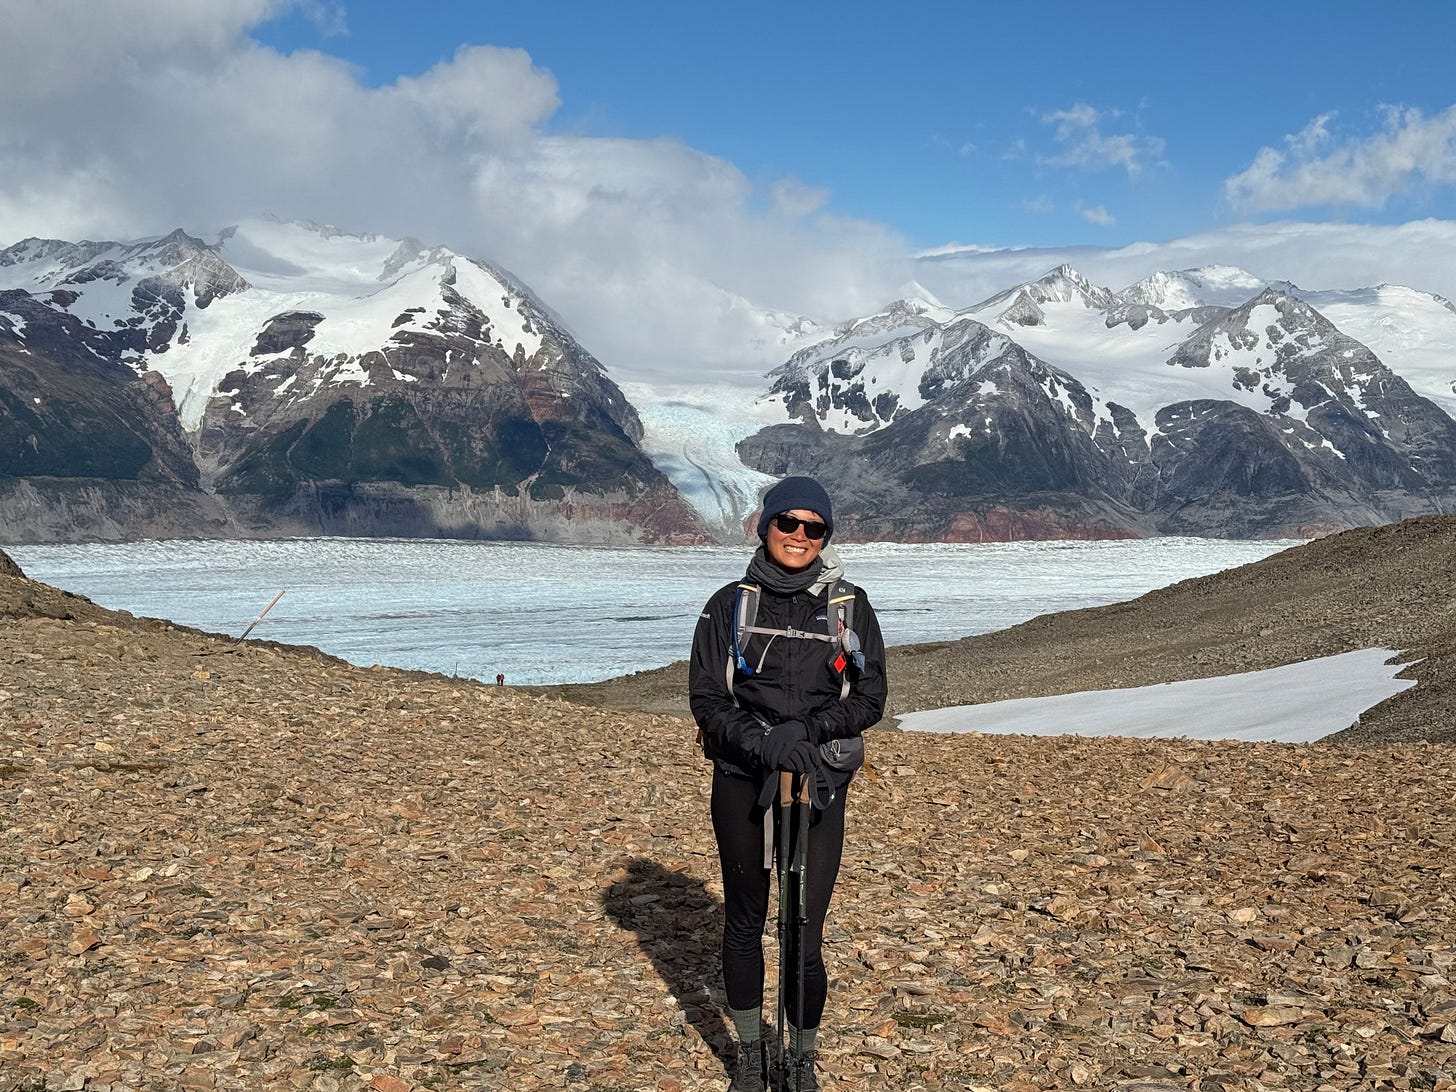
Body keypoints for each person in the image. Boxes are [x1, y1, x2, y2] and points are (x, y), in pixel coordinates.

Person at [689, 476, 887, 1092]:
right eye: (788, 522)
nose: (800, 535)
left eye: (814, 527)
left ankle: (800, 1061)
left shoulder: (850, 606)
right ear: (765, 525)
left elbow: (870, 698)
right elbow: (707, 700)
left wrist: (807, 730)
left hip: (817, 779)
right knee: (745, 920)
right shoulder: (728, 606)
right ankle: (751, 1056)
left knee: (804, 930)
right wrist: (764, 742)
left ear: (825, 535)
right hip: (742, 778)